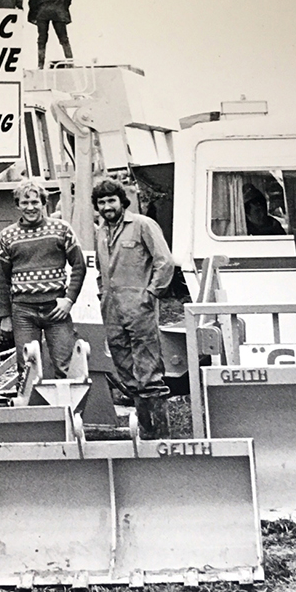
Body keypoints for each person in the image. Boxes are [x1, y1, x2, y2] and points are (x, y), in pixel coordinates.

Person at [92, 178, 175, 440]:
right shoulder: (101, 232)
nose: (107, 206)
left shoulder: (142, 225)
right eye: (102, 202)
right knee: (124, 367)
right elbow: (100, 270)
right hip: (112, 309)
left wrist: (151, 293)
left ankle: (159, 433)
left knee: (149, 369)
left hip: (140, 307)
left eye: (111, 200)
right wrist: (101, 294)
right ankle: (144, 427)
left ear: (122, 201)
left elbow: (165, 262)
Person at [0, 179, 86, 378]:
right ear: (17, 205)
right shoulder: (7, 235)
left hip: (56, 310)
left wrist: (69, 300)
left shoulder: (61, 229)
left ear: (43, 203)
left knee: (66, 367)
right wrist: (5, 316)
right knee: (27, 370)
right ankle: (32, 410)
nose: (30, 207)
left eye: (35, 202)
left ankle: (67, 409)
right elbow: (2, 278)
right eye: (25, 203)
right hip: (23, 311)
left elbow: (79, 265)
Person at [27, 0, 73, 69]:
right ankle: (70, 62)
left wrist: (34, 12)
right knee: (64, 38)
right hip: (58, 11)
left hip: (42, 12)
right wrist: (63, 7)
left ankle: (40, 65)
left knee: (42, 39)